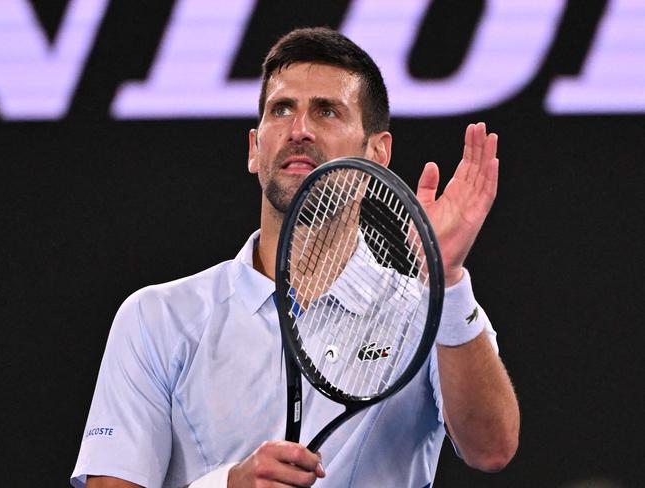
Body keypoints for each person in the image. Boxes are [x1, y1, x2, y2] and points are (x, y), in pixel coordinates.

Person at [71, 27, 519, 488]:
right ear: (254, 148)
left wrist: (446, 278)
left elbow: (492, 448)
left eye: (327, 111)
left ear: (378, 152)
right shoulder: (156, 317)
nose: (299, 130)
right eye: (281, 109)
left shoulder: (426, 311)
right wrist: (229, 485)